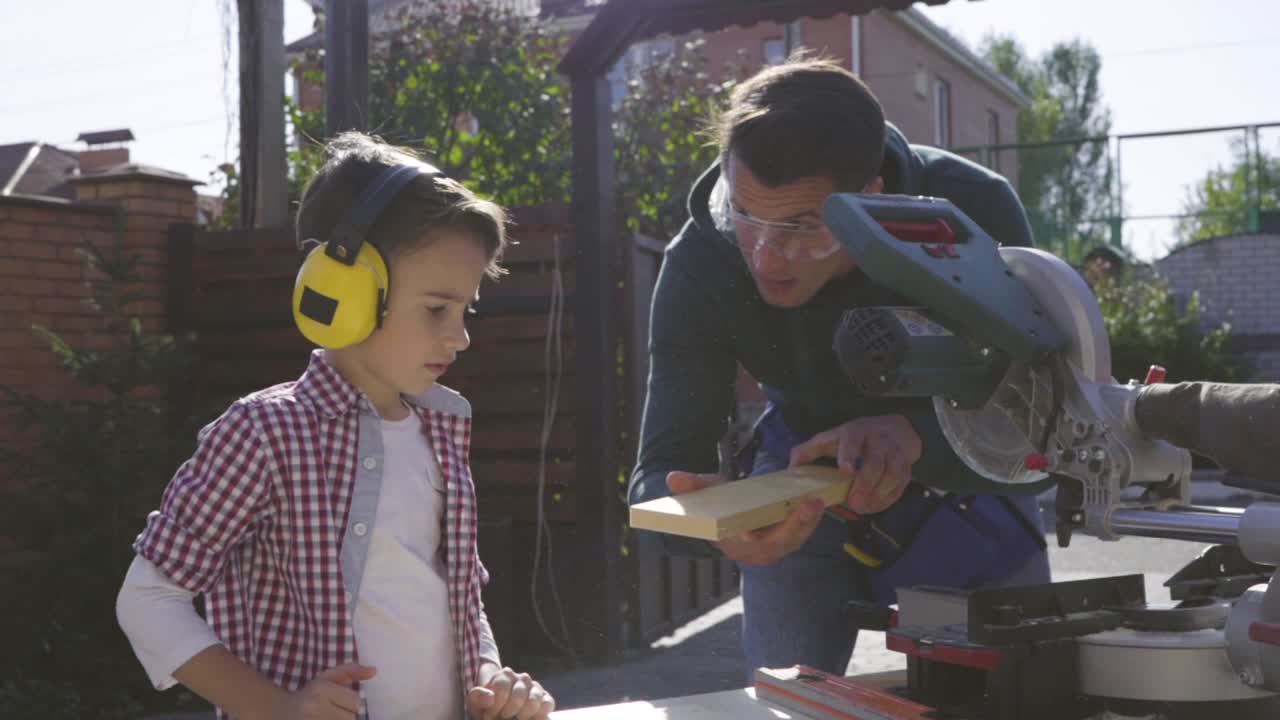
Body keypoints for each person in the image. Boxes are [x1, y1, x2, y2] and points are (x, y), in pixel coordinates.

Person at [629, 56, 1053, 678]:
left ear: (871, 199)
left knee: (1014, 694)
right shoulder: (700, 258)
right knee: (785, 704)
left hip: (967, 473)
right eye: (746, 217)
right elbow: (658, 473)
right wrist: (706, 526)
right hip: (799, 483)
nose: (768, 258)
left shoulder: (971, 212)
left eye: (804, 226)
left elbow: (1044, 430)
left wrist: (920, 439)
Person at [117, 133, 554, 720]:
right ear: (343, 289)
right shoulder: (265, 432)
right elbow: (147, 599)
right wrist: (276, 707)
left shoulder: (443, 432)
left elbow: (458, 603)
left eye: (465, 310)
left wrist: (491, 680)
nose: (461, 336)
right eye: (436, 309)